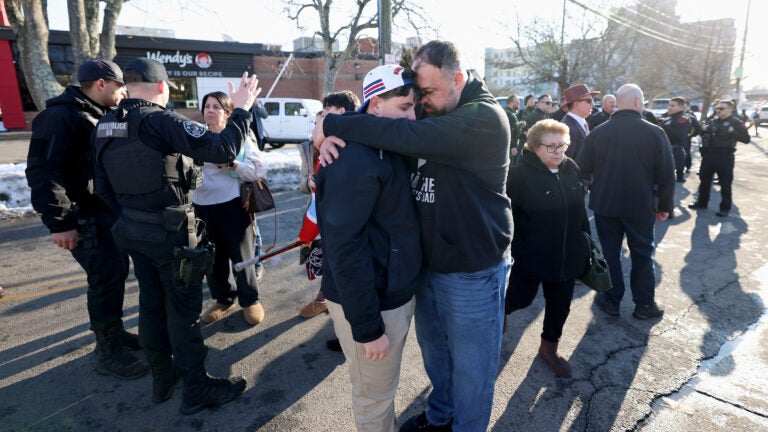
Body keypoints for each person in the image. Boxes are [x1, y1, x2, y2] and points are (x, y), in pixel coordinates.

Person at [317, 40, 512, 432]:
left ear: (458, 80)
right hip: (427, 267)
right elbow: (386, 123)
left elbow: (405, 134)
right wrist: (325, 140)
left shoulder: (484, 117)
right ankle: (440, 418)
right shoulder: (434, 107)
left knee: (472, 371)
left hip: (471, 271)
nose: (421, 105)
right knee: (436, 357)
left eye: (428, 93)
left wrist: (331, 125)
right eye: (416, 96)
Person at [93, 58, 259, 413]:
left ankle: (162, 375)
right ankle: (196, 386)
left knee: (151, 304)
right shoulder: (158, 120)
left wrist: (131, 219)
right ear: (161, 87)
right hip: (169, 234)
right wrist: (242, 110)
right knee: (182, 311)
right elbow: (223, 149)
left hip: (133, 231)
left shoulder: (106, 124)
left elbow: (102, 187)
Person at [315, 64, 422, 432]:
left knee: (381, 392)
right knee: (374, 397)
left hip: (389, 292)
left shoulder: (385, 144)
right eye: (405, 107)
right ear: (375, 104)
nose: (413, 116)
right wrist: (368, 327)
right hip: (372, 304)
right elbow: (344, 248)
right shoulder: (353, 156)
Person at [25, 59, 147, 380]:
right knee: (104, 278)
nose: (124, 92)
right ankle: (107, 350)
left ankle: (115, 333)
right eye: (120, 86)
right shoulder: (59, 117)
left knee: (115, 273)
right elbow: (43, 173)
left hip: (104, 214)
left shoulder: (98, 113)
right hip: (82, 218)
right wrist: (60, 223)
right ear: (101, 84)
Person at [577, 83, 675, 320]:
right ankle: (644, 304)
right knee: (643, 254)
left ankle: (611, 300)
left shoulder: (598, 133)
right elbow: (666, 174)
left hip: (605, 204)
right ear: (637, 102)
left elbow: (581, 168)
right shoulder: (655, 133)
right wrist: (664, 206)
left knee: (610, 253)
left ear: (617, 105)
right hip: (640, 205)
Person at [505, 119, 589, 378]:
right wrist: (517, 250)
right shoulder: (518, 174)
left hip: (566, 255)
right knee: (520, 298)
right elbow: (507, 218)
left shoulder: (570, 167)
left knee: (560, 305)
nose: (558, 151)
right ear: (534, 147)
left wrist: (585, 244)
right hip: (530, 257)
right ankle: (499, 314)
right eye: (550, 146)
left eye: (562, 145)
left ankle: (549, 348)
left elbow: (580, 210)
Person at [193, 91, 267, 326]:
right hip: (201, 208)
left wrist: (232, 163)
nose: (210, 110)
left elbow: (258, 171)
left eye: (216, 107)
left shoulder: (240, 136)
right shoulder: (195, 134)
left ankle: (250, 300)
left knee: (242, 256)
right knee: (213, 259)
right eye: (207, 106)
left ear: (228, 113)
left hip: (233, 206)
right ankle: (224, 299)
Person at [299, 91, 360, 321]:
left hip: (343, 230)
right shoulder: (319, 147)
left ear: (341, 113)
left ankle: (335, 308)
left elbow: (323, 204)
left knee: (344, 277)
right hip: (334, 226)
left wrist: (306, 234)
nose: (320, 120)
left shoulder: (340, 149)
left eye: (325, 113)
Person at [687, 100, 750, 217]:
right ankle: (702, 202)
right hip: (709, 155)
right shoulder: (713, 121)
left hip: (725, 156)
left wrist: (733, 132)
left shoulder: (736, 123)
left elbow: (746, 139)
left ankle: (725, 208)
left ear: (730, 109)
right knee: (704, 180)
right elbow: (704, 132)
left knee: (725, 183)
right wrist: (704, 130)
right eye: (717, 108)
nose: (718, 110)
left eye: (722, 108)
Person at [560, 84, 599, 160]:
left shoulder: (580, 122)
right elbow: (567, 161)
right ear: (576, 104)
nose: (593, 104)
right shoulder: (567, 128)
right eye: (589, 101)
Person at [659, 97, 692, 182]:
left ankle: (679, 177)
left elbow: (680, 135)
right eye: (669, 105)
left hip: (675, 148)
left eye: (672, 105)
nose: (669, 107)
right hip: (664, 147)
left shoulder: (682, 119)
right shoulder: (668, 117)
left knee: (676, 170)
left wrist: (665, 127)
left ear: (681, 107)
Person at [684, 100, 703, 173]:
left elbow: (697, 127)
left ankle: (687, 167)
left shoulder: (690, 115)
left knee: (686, 152)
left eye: (685, 106)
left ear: (689, 106)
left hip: (686, 137)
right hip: (676, 137)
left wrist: (692, 135)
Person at [503, 95, 523, 163]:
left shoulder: (510, 113)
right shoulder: (510, 114)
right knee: (511, 165)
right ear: (511, 102)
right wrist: (512, 146)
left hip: (510, 144)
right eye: (517, 102)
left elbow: (514, 127)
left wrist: (520, 125)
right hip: (510, 145)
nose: (519, 104)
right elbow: (508, 131)